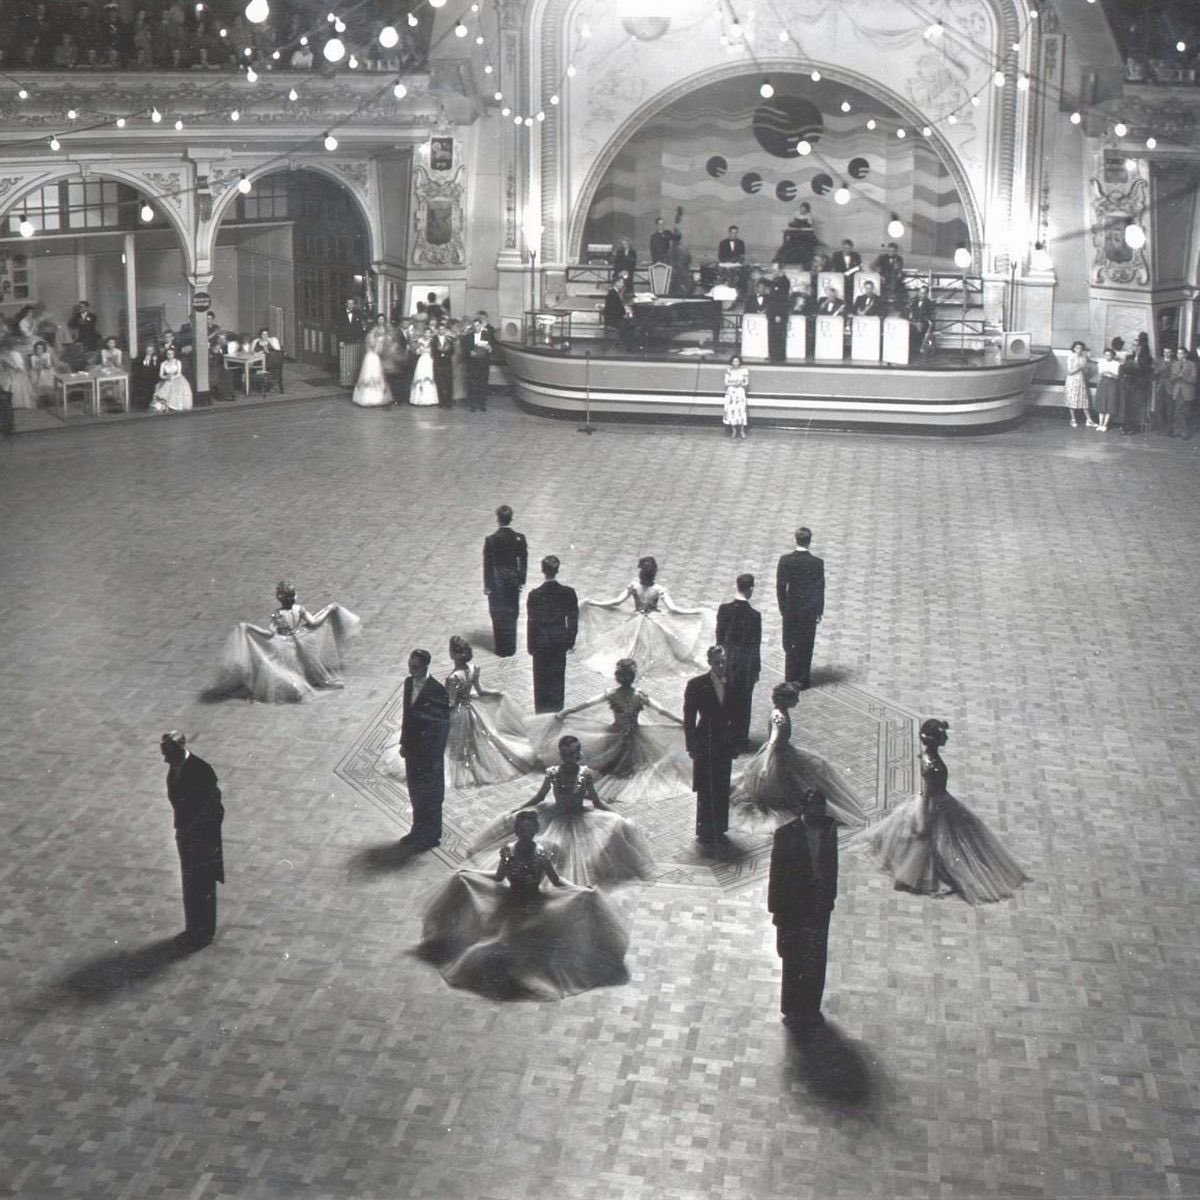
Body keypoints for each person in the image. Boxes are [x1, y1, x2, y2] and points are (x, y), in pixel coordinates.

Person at [418, 811, 628, 1000]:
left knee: (515, 941)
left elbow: (555, 881)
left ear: (535, 831)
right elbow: (499, 876)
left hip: (534, 903)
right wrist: (471, 875)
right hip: (509, 900)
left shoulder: (541, 855)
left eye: (528, 830)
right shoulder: (508, 852)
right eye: (520, 830)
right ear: (516, 831)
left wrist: (580, 890)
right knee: (493, 938)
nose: (523, 834)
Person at [852, 718, 1030, 904]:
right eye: (942, 736)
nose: (946, 739)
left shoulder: (930, 759)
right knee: (936, 843)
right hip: (935, 805)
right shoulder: (931, 767)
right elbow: (928, 794)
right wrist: (922, 820)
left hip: (940, 801)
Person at [476, 734, 654, 886]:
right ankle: (550, 878)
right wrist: (519, 808)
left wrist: (617, 815)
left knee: (583, 851)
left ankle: (576, 880)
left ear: (578, 754)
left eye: (572, 754)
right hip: (556, 816)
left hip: (580, 817)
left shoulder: (585, 774)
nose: (568, 758)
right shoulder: (553, 773)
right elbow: (540, 796)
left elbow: (596, 801)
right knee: (551, 847)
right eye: (564, 754)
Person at [542, 658, 689, 804]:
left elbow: (587, 704)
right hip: (633, 736)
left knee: (613, 765)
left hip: (615, 734)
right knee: (624, 766)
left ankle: (611, 775)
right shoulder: (639, 696)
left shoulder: (612, 694)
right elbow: (662, 711)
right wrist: (681, 721)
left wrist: (568, 711)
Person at [731, 683, 866, 833]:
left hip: (785, 752)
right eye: (795, 698)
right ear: (785, 700)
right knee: (792, 782)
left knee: (809, 772)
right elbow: (773, 743)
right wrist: (764, 766)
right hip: (779, 757)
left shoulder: (777, 711)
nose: (798, 701)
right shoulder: (779, 718)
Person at [216, 580, 362, 702]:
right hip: (301, 641)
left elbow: (269, 633)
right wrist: (329, 609)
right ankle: (311, 683)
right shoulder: (299, 610)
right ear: (295, 596)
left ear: (279, 598)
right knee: (308, 665)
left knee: (283, 668)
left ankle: (294, 686)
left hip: (282, 645)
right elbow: (314, 622)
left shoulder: (278, 614)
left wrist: (250, 628)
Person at [576, 554, 712, 680]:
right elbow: (673, 608)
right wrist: (695, 611)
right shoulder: (658, 589)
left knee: (632, 644)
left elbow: (616, 602)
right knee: (657, 646)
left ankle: (633, 664)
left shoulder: (634, 586)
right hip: (654, 620)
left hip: (635, 619)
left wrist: (595, 603)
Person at [768, 788, 838, 1030]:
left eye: (821, 807)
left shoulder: (829, 828)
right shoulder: (786, 835)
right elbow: (776, 876)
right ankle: (792, 1006)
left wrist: (830, 897)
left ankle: (811, 1006)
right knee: (794, 957)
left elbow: (832, 865)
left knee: (816, 957)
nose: (819, 812)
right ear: (804, 808)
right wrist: (776, 912)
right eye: (814, 806)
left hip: (819, 903)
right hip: (795, 905)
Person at [443, 635, 536, 788]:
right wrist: (496, 693)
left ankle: (467, 766)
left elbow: (452, 702)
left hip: (459, 712)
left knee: (457, 744)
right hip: (472, 709)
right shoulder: (473, 669)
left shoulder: (453, 677)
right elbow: (480, 691)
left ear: (452, 654)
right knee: (482, 737)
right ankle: (478, 762)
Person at [160, 731, 224, 950]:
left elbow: (215, 809)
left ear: (179, 749)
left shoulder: (202, 771)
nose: (165, 759)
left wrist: (202, 835)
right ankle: (193, 928)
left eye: (167, 754)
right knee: (190, 883)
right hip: (186, 836)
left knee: (203, 884)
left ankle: (204, 932)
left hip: (202, 841)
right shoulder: (175, 768)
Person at [684, 645, 737, 843]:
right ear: (709, 663)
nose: (722, 666)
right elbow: (689, 718)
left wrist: (734, 742)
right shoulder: (697, 685)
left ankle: (720, 826)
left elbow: (735, 714)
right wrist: (691, 745)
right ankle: (705, 829)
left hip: (723, 742)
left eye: (724, 662)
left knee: (722, 785)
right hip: (705, 740)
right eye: (717, 662)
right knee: (706, 787)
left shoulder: (731, 683)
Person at [399, 648, 451, 851]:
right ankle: (417, 830)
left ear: (426, 666)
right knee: (415, 792)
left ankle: (432, 835)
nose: (412, 671)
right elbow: (406, 715)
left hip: (429, 755)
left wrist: (434, 757)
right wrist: (404, 743)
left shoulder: (437, 690)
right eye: (410, 667)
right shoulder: (408, 683)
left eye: (416, 668)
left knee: (431, 795)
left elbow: (442, 727)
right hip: (412, 751)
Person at [526, 554, 578, 713]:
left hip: (541, 642)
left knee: (541, 680)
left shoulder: (535, 595)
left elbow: (531, 622)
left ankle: (541, 711)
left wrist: (531, 645)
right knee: (557, 678)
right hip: (559, 641)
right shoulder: (568, 593)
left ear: (543, 570)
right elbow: (573, 619)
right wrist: (569, 641)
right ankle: (556, 711)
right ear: (557, 570)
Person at [716, 573, 761, 752]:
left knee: (725, 699)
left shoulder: (724, 609)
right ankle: (740, 739)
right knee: (743, 703)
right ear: (750, 589)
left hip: (725, 663)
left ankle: (724, 736)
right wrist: (756, 670)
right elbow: (755, 645)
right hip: (744, 666)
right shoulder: (754, 615)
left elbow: (719, 638)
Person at [776, 526, 824, 690]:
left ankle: (790, 677)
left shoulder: (785, 560)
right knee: (806, 644)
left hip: (791, 609)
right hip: (809, 610)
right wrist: (818, 610)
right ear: (809, 541)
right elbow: (819, 589)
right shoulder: (817, 563)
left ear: (796, 539)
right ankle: (803, 680)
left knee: (789, 643)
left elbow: (781, 587)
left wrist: (783, 607)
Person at [483, 504, 528, 658]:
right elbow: (523, 560)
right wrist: (521, 579)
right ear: (511, 518)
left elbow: (488, 565)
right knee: (512, 611)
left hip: (497, 581)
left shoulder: (491, 540)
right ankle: (511, 646)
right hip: (513, 580)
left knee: (498, 612)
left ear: (498, 519)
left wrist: (488, 585)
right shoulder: (519, 538)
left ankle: (501, 647)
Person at [352, 314, 391, 407]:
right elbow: (372, 344)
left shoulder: (387, 330)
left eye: (382, 319)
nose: (381, 321)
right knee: (371, 374)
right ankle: (368, 397)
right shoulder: (373, 331)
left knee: (379, 375)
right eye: (379, 319)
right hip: (373, 355)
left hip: (381, 355)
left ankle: (379, 396)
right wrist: (378, 342)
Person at [462, 312, 496, 412]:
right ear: (473, 326)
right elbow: (464, 351)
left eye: (478, 325)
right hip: (472, 364)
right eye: (474, 326)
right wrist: (469, 353)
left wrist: (489, 348)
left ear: (481, 325)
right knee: (472, 384)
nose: (476, 327)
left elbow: (492, 349)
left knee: (483, 384)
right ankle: (472, 405)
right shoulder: (468, 337)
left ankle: (482, 404)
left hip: (483, 364)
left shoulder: (487, 336)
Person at [1120, 332, 1152, 435]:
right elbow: (1125, 370)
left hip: (1139, 386)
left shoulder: (1146, 358)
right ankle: (1126, 426)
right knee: (1127, 407)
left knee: (1135, 407)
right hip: (1129, 385)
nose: (1134, 347)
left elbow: (1143, 371)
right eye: (1132, 345)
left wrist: (1137, 359)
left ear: (1141, 347)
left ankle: (1133, 428)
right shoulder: (1128, 357)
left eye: (1136, 345)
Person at [150, 345, 192, 412]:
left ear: (174, 354)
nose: (170, 355)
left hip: (177, 379)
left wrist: (173, 377)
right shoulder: (163, 363)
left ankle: (175, 406)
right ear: (166, 355)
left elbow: (178, 373)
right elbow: (160, 375)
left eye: (171, 354)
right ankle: (165, 406)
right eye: (168, 354)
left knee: (174, 389)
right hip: (167, 379)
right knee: (164, 387)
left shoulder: (177, 362)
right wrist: (166, 377)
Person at [407, 322, 438, 406]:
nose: (427, 334)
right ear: (423, 333)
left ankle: (430, 399)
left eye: (429, 333)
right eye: (425, 333)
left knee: (430, 376)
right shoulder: (419, 340)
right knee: (420, 376)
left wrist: (429, 351)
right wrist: (420, 350)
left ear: (431, 334)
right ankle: (418, 399)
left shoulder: (433, 341)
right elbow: (416, 351)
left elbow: (435, 352)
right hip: (422, 360)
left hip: (430, 360)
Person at [91, 335, 125, 408]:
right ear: (107, 344)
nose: (111, 344)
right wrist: (110, 360)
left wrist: (115, 360)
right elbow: (104, 363)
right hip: (105, 368)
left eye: (113, 343)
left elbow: (119, 364)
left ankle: (120, 399)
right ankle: (99, 399)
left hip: (115, 368)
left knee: (120, 379)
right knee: (98, 375)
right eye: (110, 343)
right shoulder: (103, 351)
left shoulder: (118, 352)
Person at [1063, 341, 1092, 428]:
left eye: (1080, 348)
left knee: (1083, 398)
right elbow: (1069, 372)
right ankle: (1073, 419)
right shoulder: (1070, 357)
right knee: (1073, 398)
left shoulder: (1084, 357)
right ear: (1074, 348)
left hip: (1081, 379)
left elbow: (1085, 371)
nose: (1079, 350)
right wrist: (1080, 367)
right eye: (1077, 348)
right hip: (1072, 380)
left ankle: (1089, 420)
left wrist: (1087, 368)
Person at [1171, 347, 1197, 439]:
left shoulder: (1192, 365)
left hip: (1187, 392)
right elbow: (1172, 378)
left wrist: (1184, 376)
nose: (1179, 356)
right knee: (1177, 411)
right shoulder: (1175, 364)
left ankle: (1185, 432)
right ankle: (1177, 430)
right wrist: (1177, 376)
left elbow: (1194, 379)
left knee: (1186, 413)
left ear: (1185, 354)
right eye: (1178, 354)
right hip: (1177, 391)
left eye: (1181, 353)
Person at [722, 355, 750, 440]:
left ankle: (742, 431)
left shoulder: (744, 371)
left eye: (737, 361)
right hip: (731, 392)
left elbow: (746, 383)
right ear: (731, 362)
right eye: (734, 361)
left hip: (740, 392)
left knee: (741, 411)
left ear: (740, 362)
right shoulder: (728, 371)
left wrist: (740, 383)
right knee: (731, 411)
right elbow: (726, 383)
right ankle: (734, 431)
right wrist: (735, 383)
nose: (735, 363)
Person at [1093, 346, 1119, 433]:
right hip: (1103, 383)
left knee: (1110, 403)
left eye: (1109, 355)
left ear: (1112, 356)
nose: (1107, 357)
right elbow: (1099, 375)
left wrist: (1110, 372)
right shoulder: (1101, 363)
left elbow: (1116, 376)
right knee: (1102, 403)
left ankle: (1105, 424)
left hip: (1112, 383)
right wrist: (1103, 374)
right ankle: (1100, 424)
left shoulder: (1116, 364)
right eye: (1106, 355)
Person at [784, 201, 817, 267]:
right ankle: (791, 260)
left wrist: (804, 224)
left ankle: (804, 261)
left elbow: (810, 224)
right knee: (791, 243)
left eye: (804, 209)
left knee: (806, 245)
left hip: (805, 235)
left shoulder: (809, 215)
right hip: (795, 233)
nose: (802, 210)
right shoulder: (796, 213)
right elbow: (790, 222)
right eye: (801, 209)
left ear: (807, 210)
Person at [431, 319, 455, 406]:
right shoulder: (434, 340)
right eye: (440, 329)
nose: (441, 331)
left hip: (447, 362)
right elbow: (433, 351)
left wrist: (445, 354)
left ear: (445, 330)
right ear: (437, 330)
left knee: (448, 383)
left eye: (443, 329)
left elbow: (452, 351)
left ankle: (449, 402)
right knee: (439, 383)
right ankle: (441, 402)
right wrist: (439, 354)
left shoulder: (449, 339)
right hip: (438, 363)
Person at [1152, 346, 1175, 433]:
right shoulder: (1158, 360)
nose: (1166, 354)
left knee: (1169, 409)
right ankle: (1160, 428)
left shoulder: (1174, 362)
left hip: (1169, 388)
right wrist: (1158, 370)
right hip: (1159, 387)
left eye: (1168, 352)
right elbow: (1153, 372)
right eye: (1165, 352)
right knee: (1159, 408)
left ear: (1172, 353)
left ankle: (1168, 428)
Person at [908, 284, 934, 355]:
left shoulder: (929, 303)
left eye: (923, 293)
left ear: (926, 294)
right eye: (920, 292)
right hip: (914, 321)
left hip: (923, 322)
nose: (920, 295)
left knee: (919, 326)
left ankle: (918, 349)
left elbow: (930, 315)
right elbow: (910, 312)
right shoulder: (914, 301)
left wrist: (920, 321)